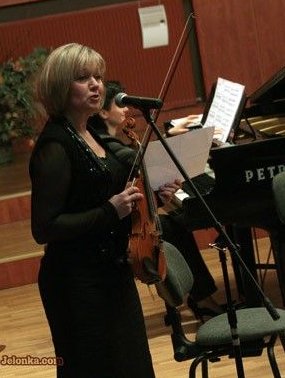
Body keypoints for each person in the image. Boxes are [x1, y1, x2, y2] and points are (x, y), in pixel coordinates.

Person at [29, 43, 155, 377]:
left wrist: (152, 194)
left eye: (98, 76)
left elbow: (110, 190)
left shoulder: (91, 133)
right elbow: (44, 228)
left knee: (134, 367)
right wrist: (110, 211)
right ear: (61, 86)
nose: (96, 84)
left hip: (113, 271)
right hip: (77, 283)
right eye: (83, 78)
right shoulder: (55, 145)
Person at [89, 80, 223, 319]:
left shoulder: (111, 142)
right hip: (113, 230)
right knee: (174, 227)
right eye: (119, 104)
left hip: (127, 221)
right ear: (103, 112)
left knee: (176, 223)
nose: (126, 109)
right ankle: (201, 298)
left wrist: (158, 199)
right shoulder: (104, 147)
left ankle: (199, 296)